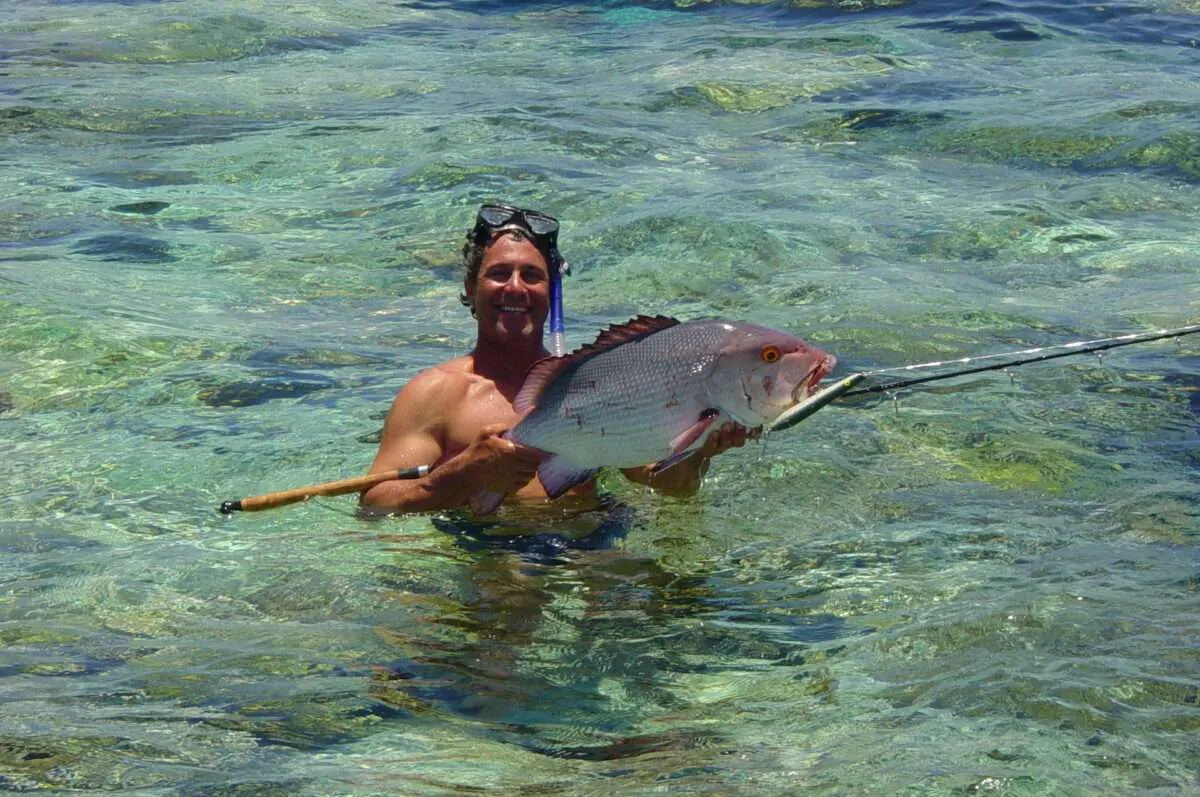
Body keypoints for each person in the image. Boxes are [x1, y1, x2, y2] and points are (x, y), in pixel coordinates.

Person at [359, 202, 756, 515]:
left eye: (532, 276)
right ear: (470, 286)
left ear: (551, 292)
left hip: (589, 540)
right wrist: (461, 475)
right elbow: (376, 504)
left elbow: (668, 487)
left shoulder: (597, 383)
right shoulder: (435, 394)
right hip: (489, 552)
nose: (515, 288)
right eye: (499, 274)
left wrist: (701, 452)